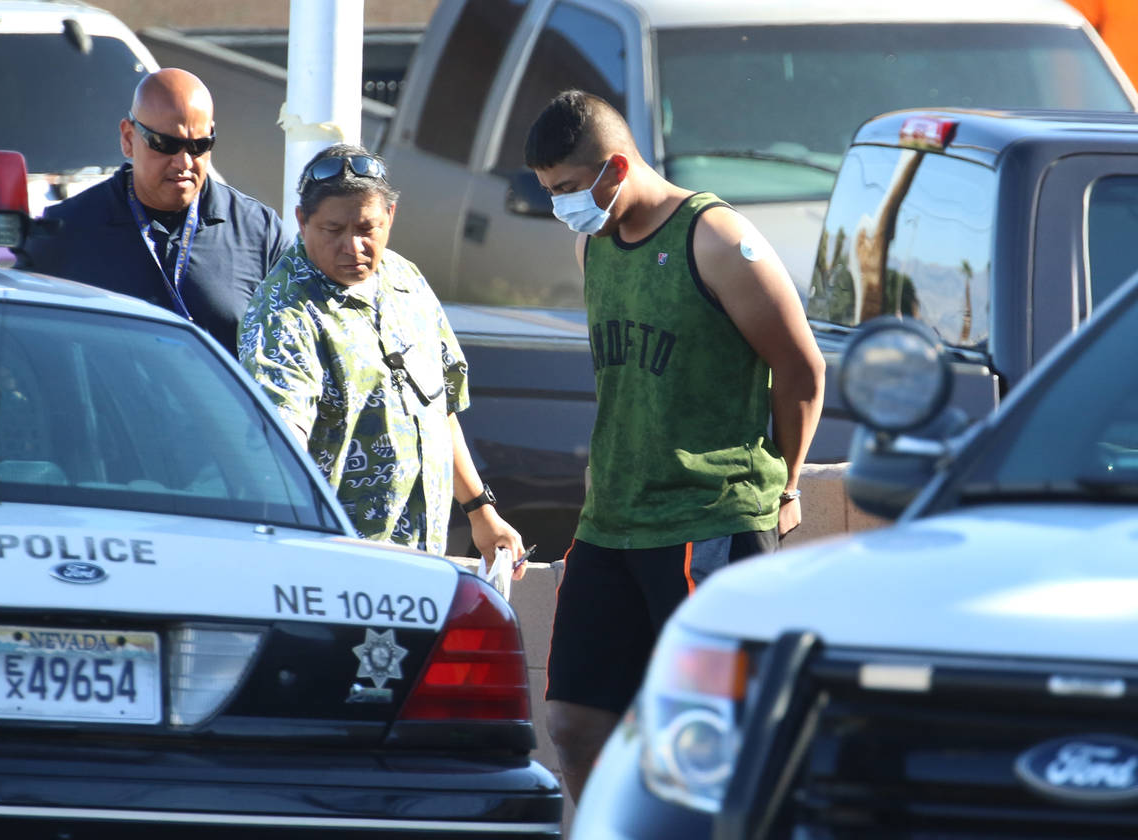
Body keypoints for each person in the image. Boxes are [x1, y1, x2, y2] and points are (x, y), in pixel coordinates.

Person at [524, 90, 826, 802]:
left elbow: (803, 369)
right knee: (573, 722)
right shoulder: (591, 241)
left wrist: (783, 487)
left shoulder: (717, 240)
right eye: (548, 192)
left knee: (711, 732)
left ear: (616, 167)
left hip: (708, 522)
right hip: (613, 523)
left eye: (569, 189)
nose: (561, 206)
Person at [239, 143, 526, 565]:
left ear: (390, 218)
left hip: (423, 558)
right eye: (333, 230)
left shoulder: (404, 280)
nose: (352, 246)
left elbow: (440, 407)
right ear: (302, 222)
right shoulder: (284, 312)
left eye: (366, 228)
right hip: (337, 564)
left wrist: (482, 511)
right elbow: (279, 449)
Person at [19, 68, 290, 357]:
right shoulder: (64, 231)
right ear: (128, 138)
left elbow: (298, 345)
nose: (183, 162)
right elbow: (18, 347)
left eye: (199, 146)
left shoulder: (259, 232)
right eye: (166, 144)